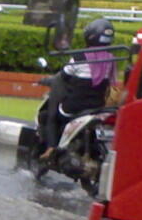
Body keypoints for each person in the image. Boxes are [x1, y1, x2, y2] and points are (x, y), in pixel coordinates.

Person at [39, 17, 117, 158]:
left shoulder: (79, 57)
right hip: (97, 106)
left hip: (75, 107)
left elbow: (64, 76)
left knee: (50, 115)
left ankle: (50, 148)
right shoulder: (111, 58)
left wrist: (47, 80)